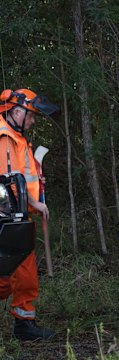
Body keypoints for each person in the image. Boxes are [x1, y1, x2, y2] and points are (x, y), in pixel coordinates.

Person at [0, 88, 58, 340]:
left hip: (20, 216)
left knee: (23, 270)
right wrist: (35, 202)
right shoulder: (4, 138)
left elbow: (24, 177)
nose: (33, 121)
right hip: (8, 218)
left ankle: (25, 323)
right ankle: (24, 323)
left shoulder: (18, 138)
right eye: (31, 115)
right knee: (7, 273)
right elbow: (7, 183)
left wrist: (35, 193)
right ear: (16, 111)